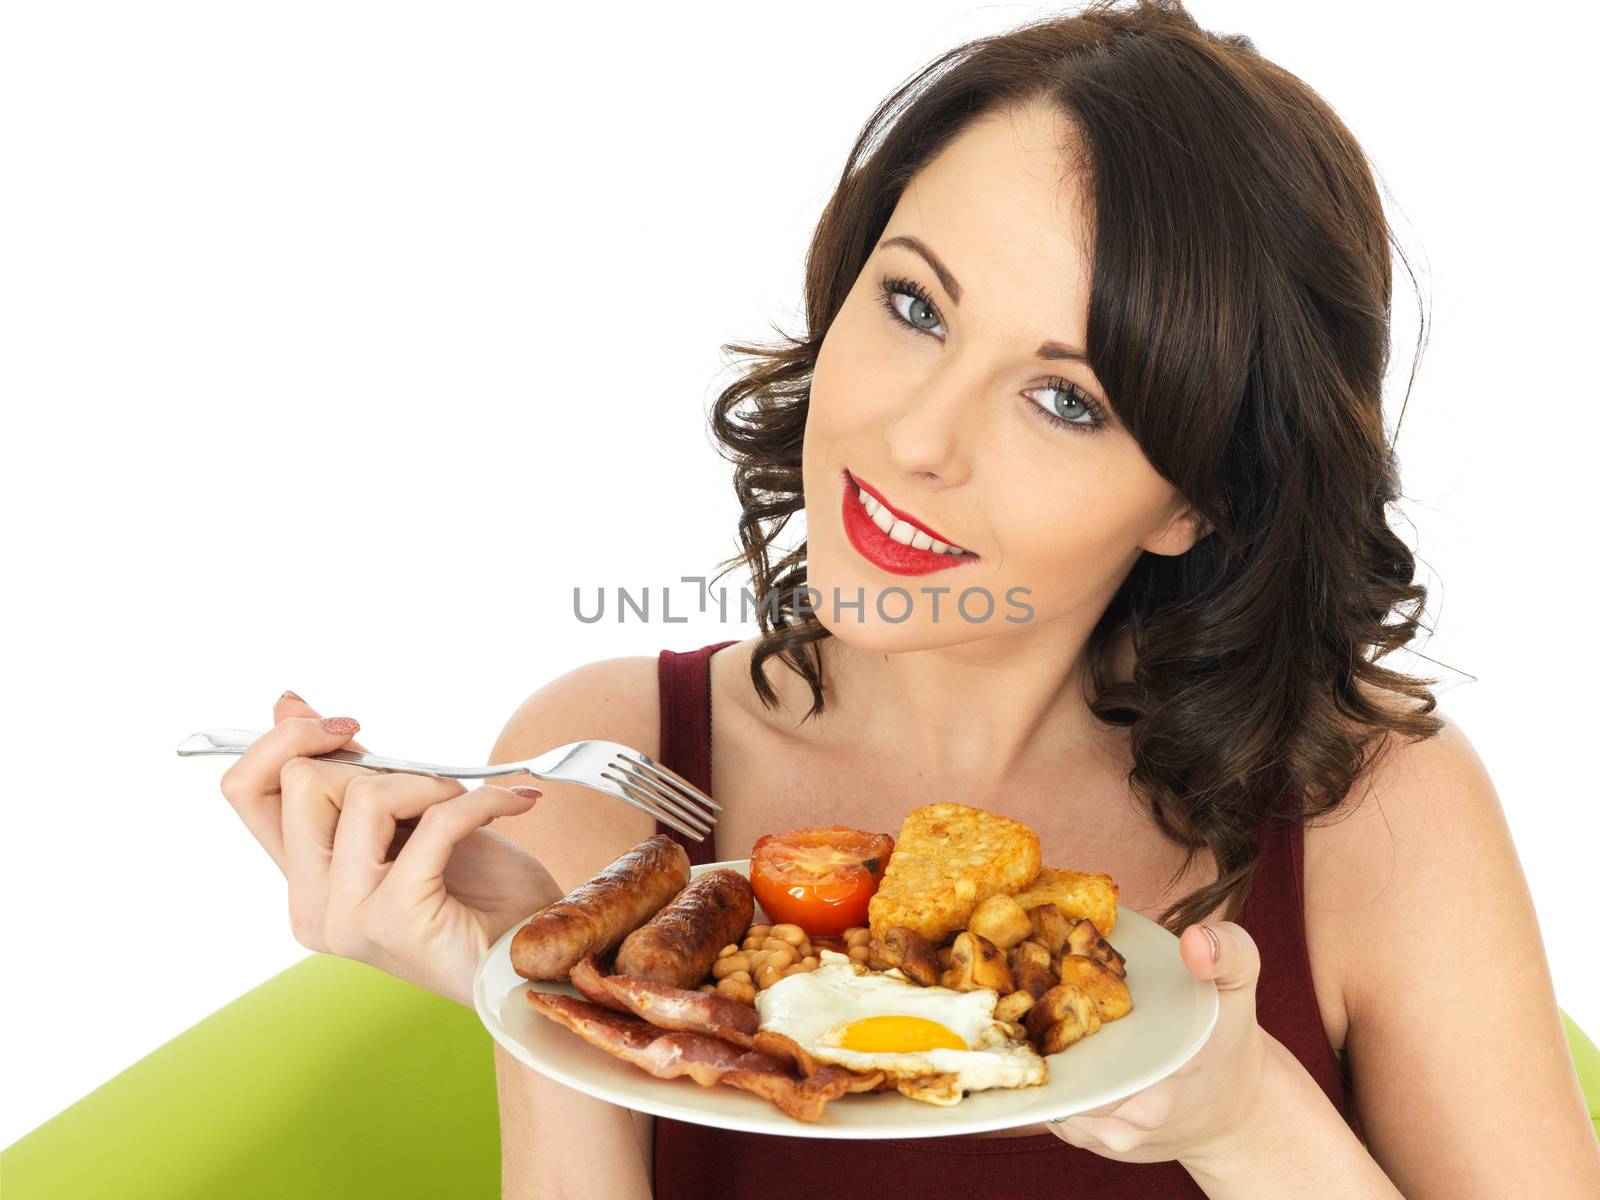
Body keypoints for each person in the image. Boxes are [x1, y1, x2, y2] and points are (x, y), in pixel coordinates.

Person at [217, 2, 1600, 1196]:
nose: (919, 438)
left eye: (1065, 397)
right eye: (917, 308)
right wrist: (537, 1005)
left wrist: (1245, 1119)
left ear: (1201, 496)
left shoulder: (1370, 809)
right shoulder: (614, 766)